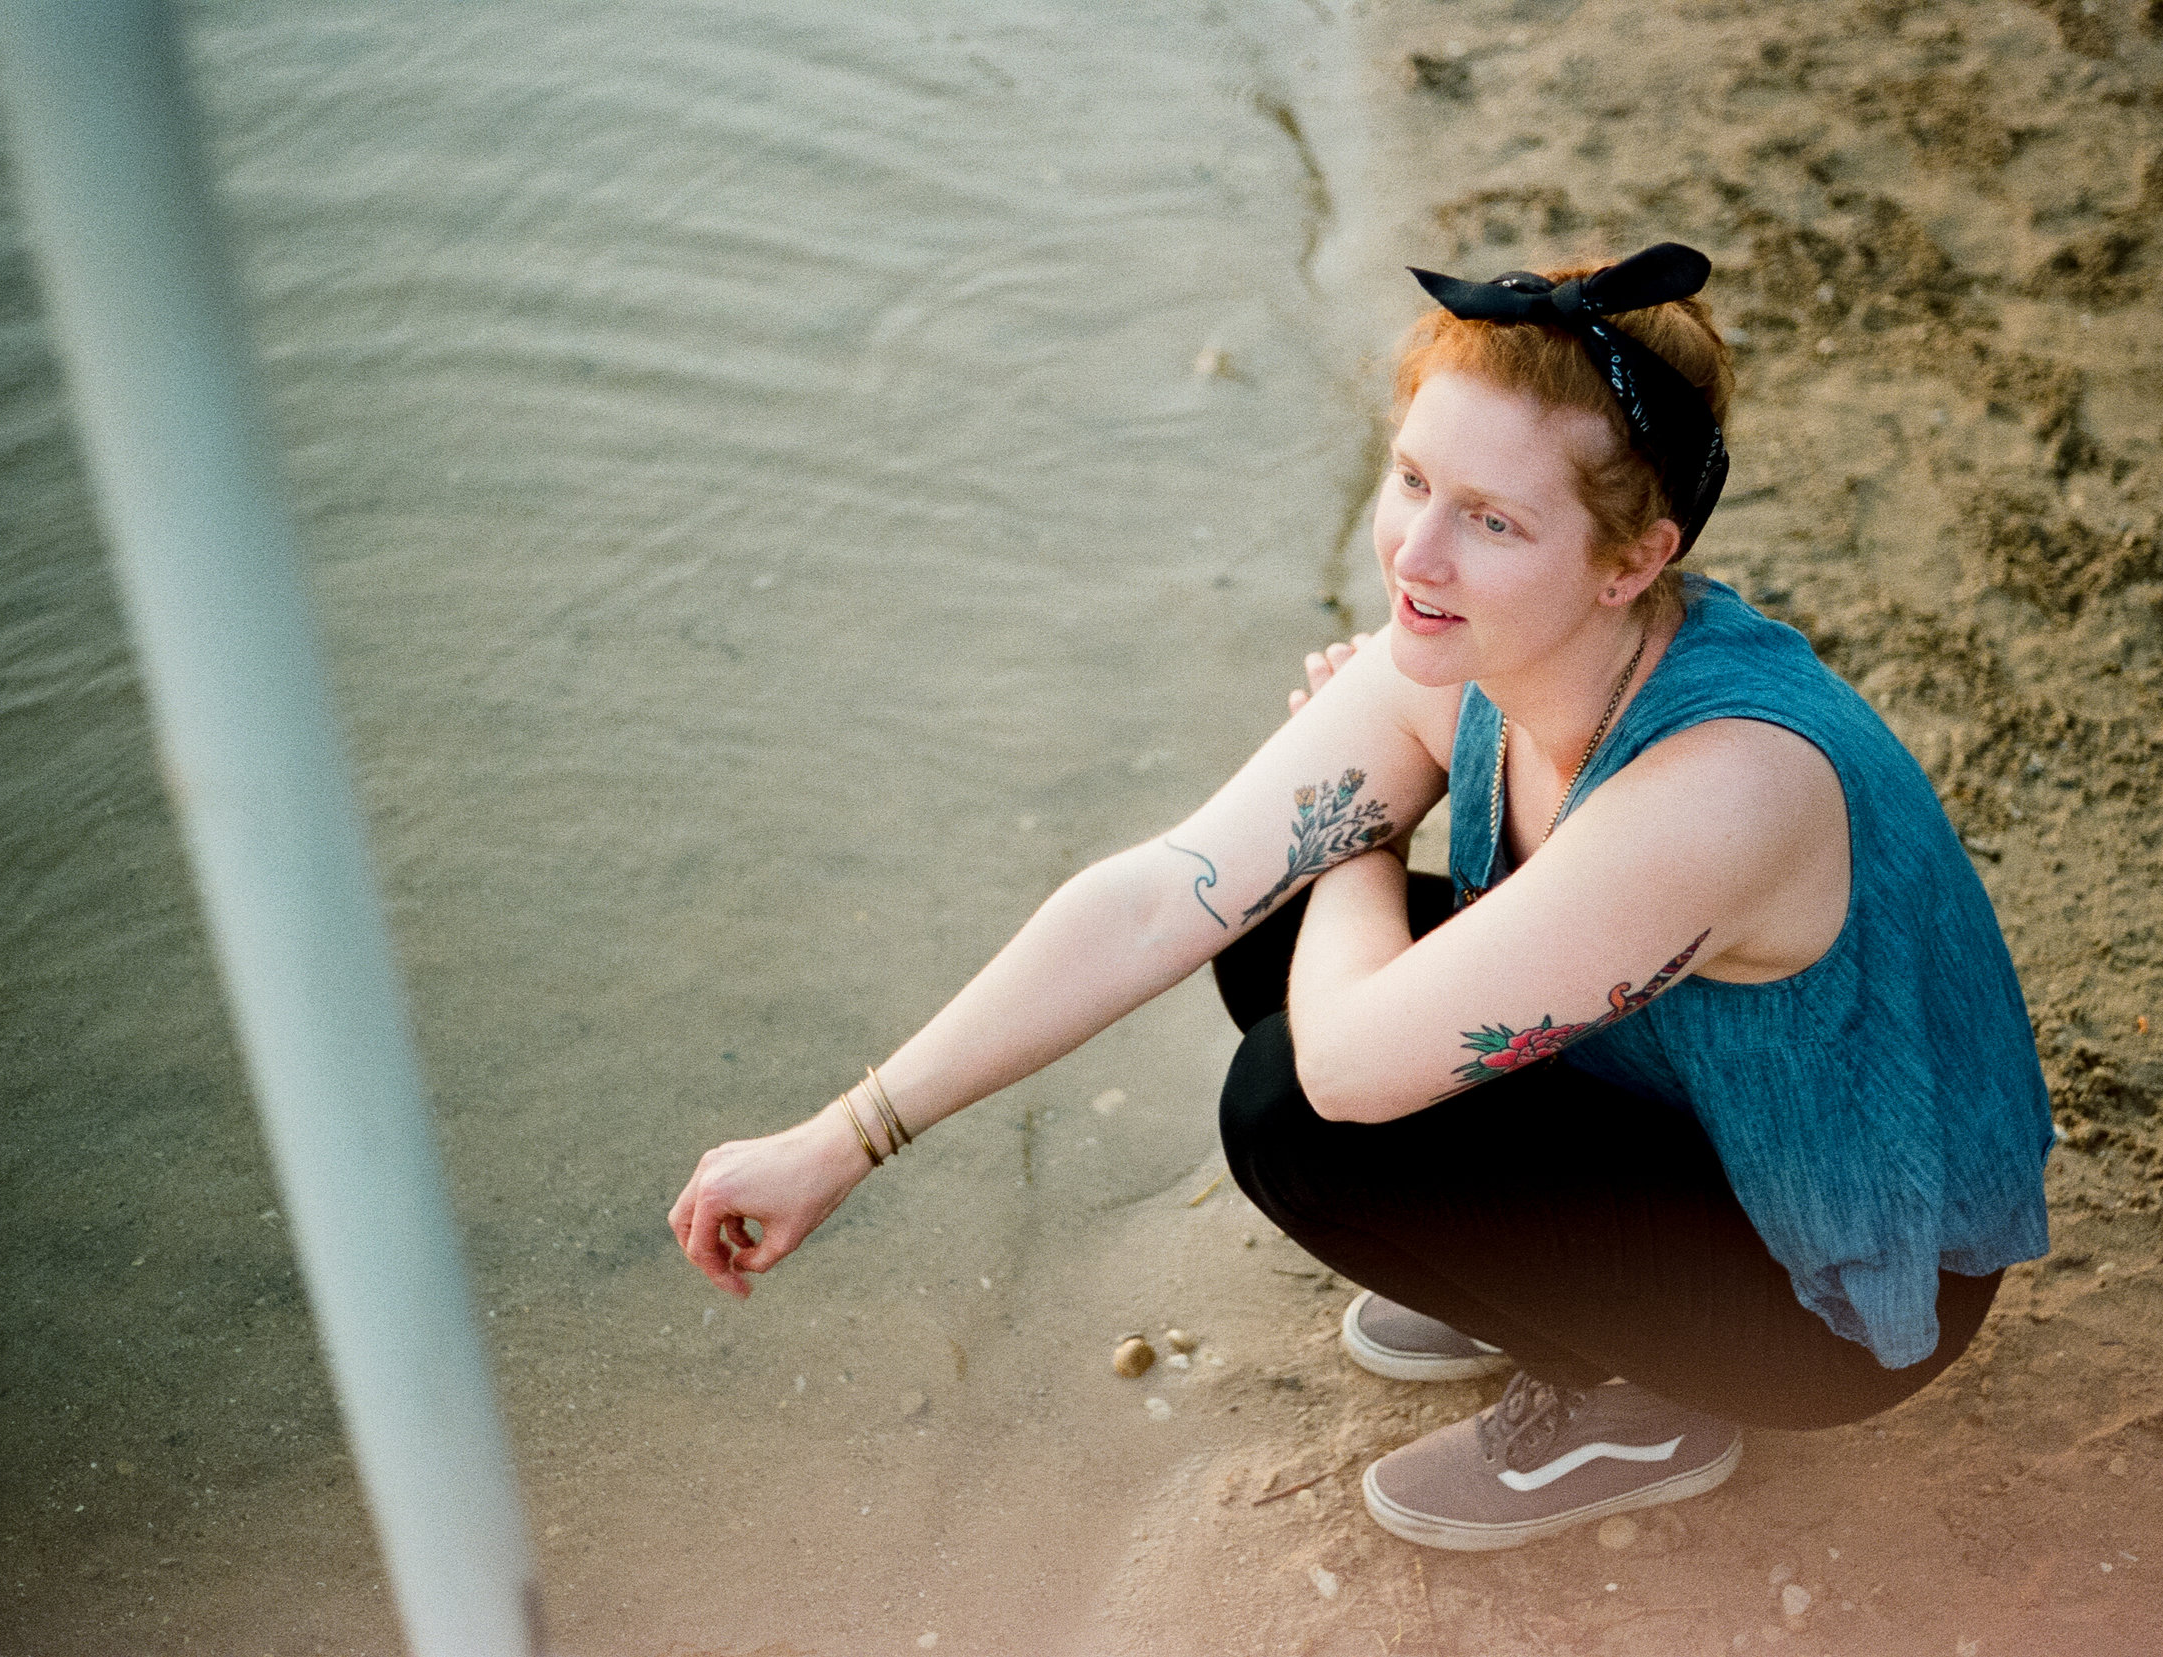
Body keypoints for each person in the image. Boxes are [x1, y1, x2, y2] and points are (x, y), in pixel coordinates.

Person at [670, 244, 2053, 1552]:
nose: (1415, 555)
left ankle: (1646, 1402)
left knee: (1294, 1106)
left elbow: (1344, 1070)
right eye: (1410, 479)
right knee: (1258, 915)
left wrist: (1356, 842)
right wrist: (842, 1137)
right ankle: (1551, 1280)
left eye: (1493, 519)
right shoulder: (1484, 637)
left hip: (1842, 1280)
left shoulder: (1721, 791)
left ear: (1634, 560)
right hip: (1695, 1100)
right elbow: (1163, 895)